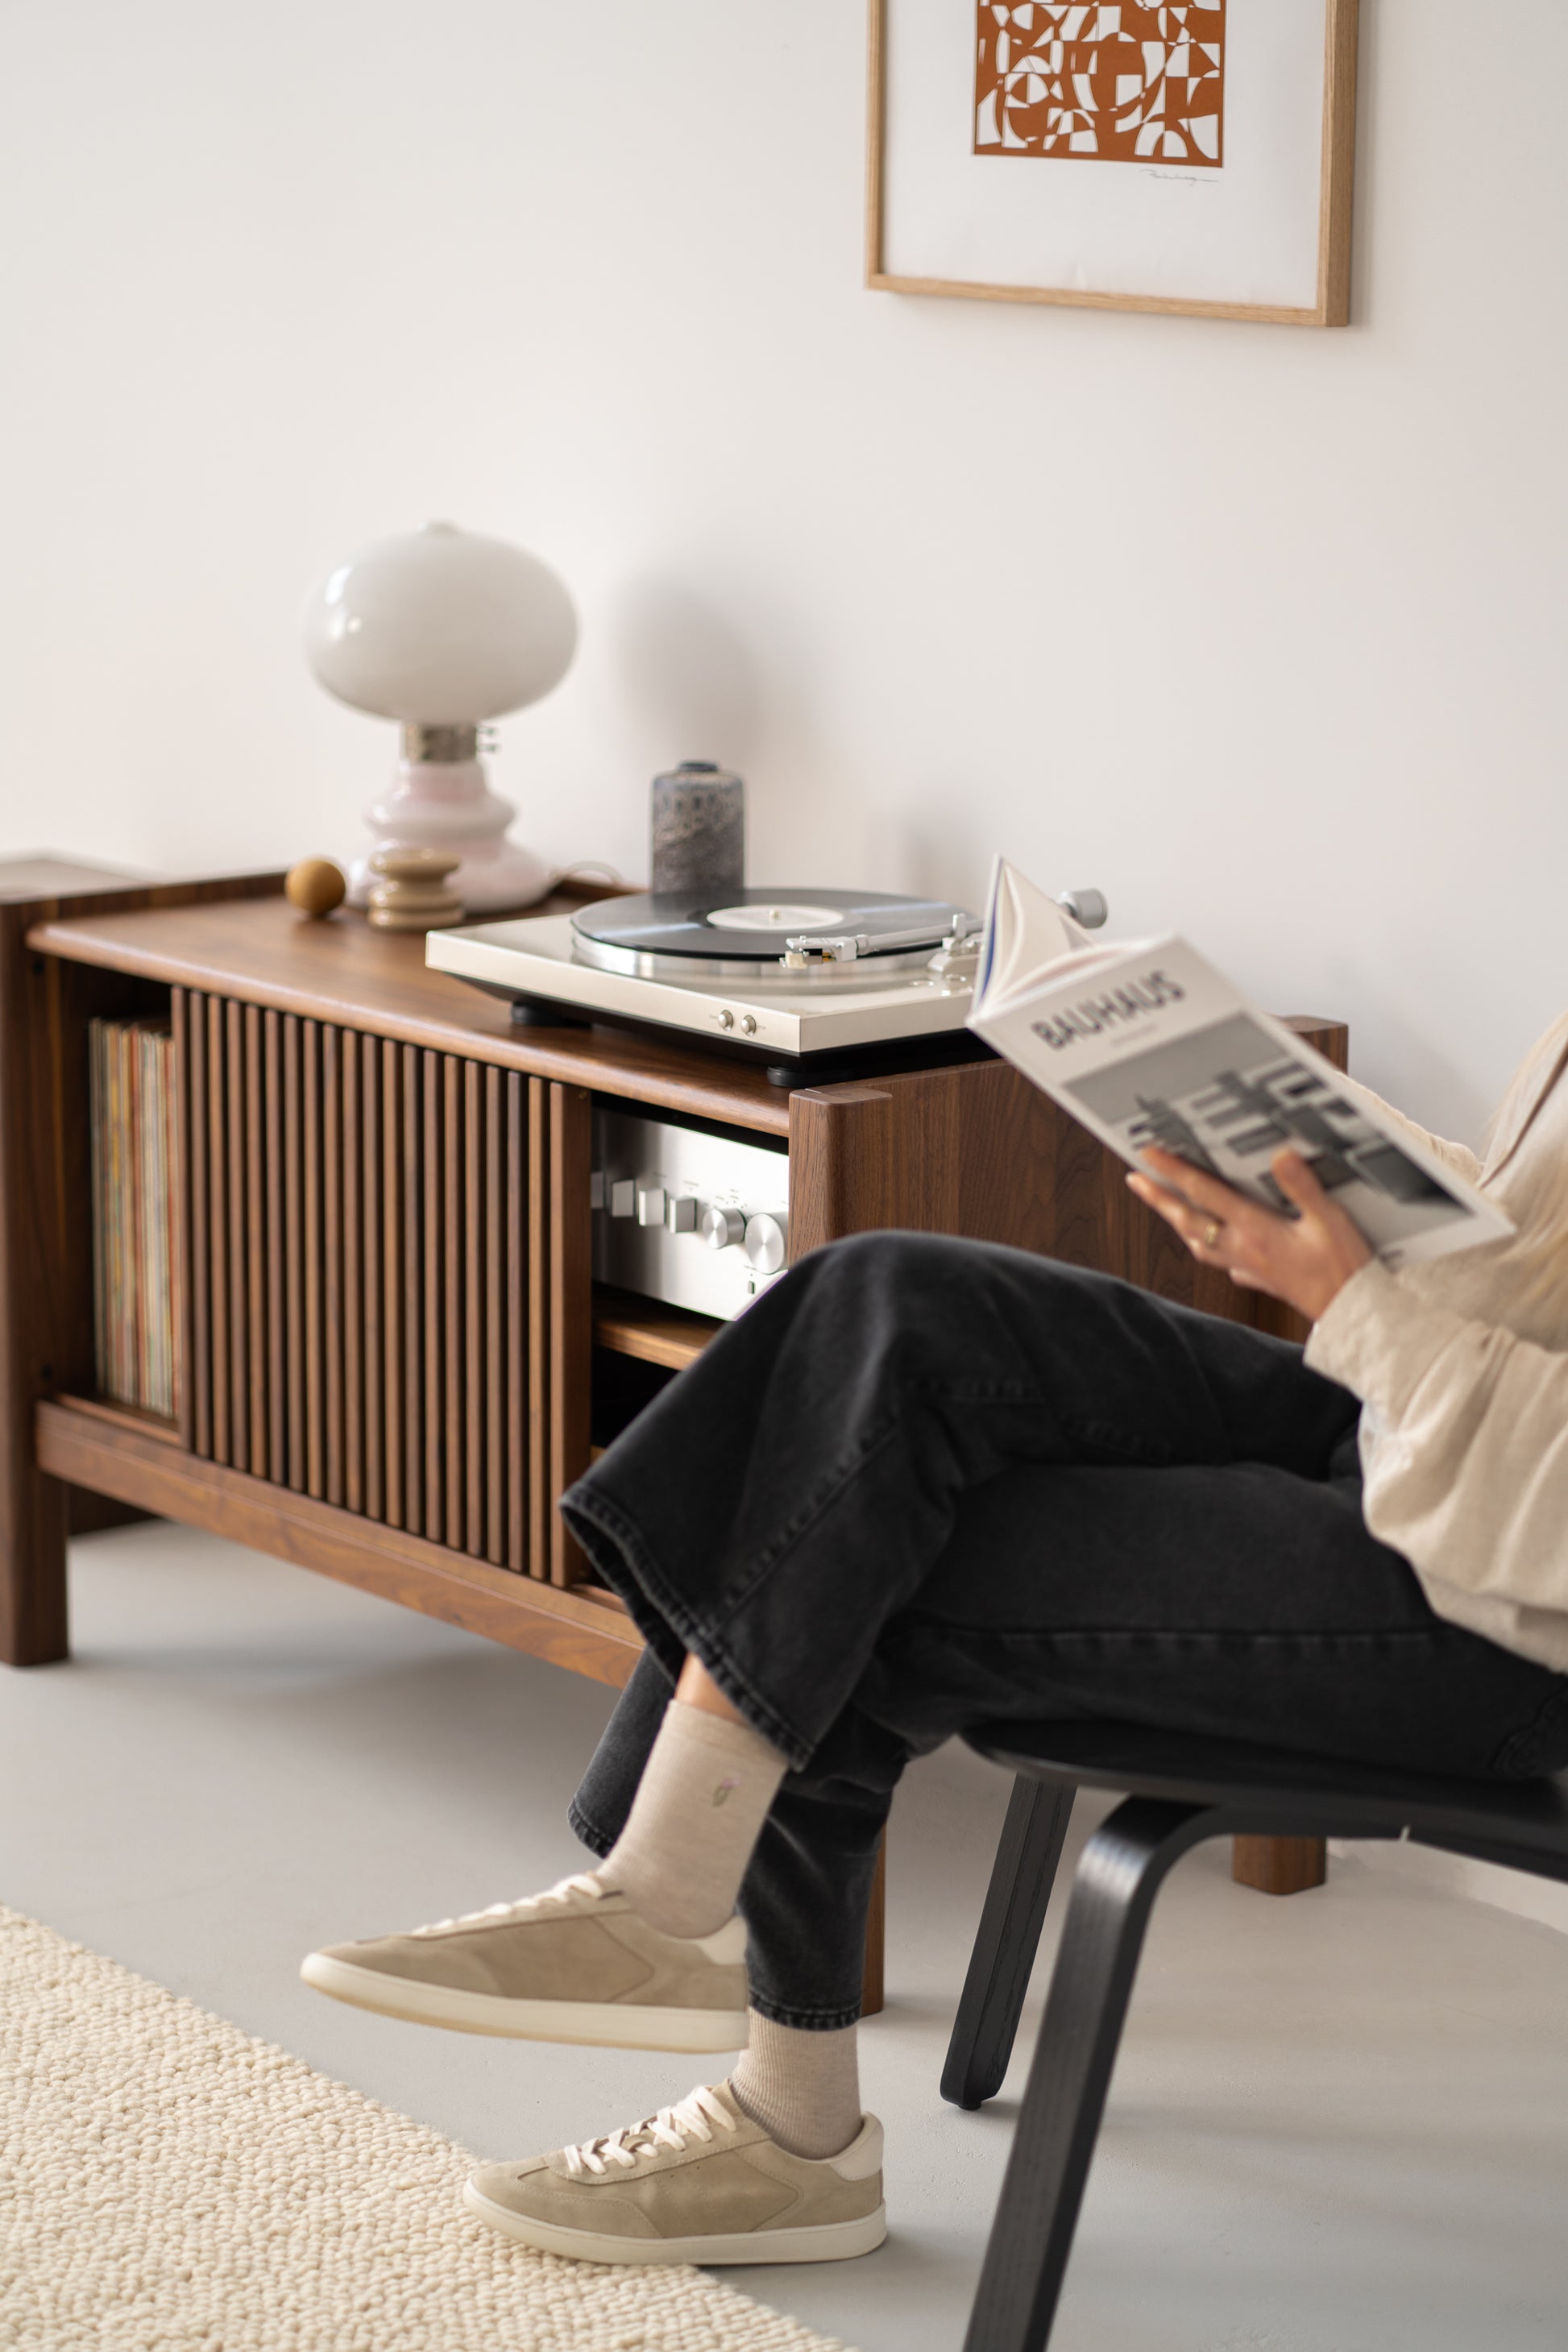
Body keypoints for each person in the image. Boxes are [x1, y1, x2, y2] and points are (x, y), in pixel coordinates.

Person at [302, 1013, 1568, 2270]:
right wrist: (1317, 1176)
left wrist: (1348, 1301)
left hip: (1497, 1614)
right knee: (883, 1305)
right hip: (1419, 1436)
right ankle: (673, 1901)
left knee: (867, 1545)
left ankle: (769, 2096)